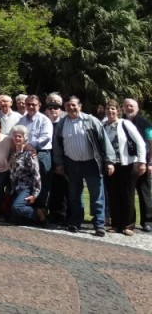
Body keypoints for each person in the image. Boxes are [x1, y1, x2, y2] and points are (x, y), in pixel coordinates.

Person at [52, 96, 115, 236]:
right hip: (71, 163)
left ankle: (99, 224)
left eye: (73, 105)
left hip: (91, 163)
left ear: (80, 106)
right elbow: (57, 145)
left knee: (97, 195)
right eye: (68, 105)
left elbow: (104, 140)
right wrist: (59, 163)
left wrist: (109, 161)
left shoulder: (90, 120)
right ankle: (76, 222)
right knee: (74, 195)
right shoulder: (62, 123)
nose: (71, 108)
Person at [102, 100, 146, 235]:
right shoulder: (103, 125)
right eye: (108, 109)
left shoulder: (125, 123)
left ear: (118, 111)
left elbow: (139, 142)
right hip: (110, 165)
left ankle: (128, 225)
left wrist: (142, 161)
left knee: (127, 194)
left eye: (113, 109)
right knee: (113, 194)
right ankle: (116, 224)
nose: (110, 111)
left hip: (127, 164)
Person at [17, 94, 54, 209]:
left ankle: (41, 210)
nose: (31, 107)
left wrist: (31, 145)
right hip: (25, 155)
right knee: (28, 182)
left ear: (39, 105)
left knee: (42, 182)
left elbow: (46, 137)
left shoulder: (44, 120)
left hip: (42, 153)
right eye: (28, 104)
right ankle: (28, 209)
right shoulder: (21, 120)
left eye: (33, 104)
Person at [121, 98, 152, 232]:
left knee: (144, 192)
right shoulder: (120, 122)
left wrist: (150, 163)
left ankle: (148, 221)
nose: (129, 108)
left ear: (137, 108)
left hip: (142, 162)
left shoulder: (145, 123)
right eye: (126, 106)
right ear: (122, 108)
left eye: (131, 106)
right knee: (127, 193)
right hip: (125, 163)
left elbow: (151, 144)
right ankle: (128, 222)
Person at [8, 125, 45, 225]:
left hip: (26, 187)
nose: (17, 138)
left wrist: (34, 194)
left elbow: (36, 174)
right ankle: (32, 219)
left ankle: (38, 212)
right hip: (16, 188)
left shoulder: (29, 154)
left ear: (25, 138)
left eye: (20, 136)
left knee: (17, 208)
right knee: (14, 217)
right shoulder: (13, 154)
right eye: (15, 136)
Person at [45, 92, 68, 224]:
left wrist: (60, 162)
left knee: (62, 189)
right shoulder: (44, 121)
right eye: (50, 107)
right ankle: (51, 213)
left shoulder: (64, 122)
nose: (52, 110)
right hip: (48, 159)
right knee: (51, 188)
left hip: (61, 160)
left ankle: (62, 215)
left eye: (56, 107)